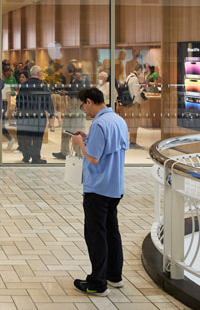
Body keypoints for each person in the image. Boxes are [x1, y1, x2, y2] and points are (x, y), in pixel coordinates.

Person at [70, 86, 129, 297]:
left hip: (98, 189)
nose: (84, 111)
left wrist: (79, 144)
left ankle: (97, 283)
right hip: (115, 187)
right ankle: (114, 276)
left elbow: (93, 157)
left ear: (89, 101)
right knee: (112, 232)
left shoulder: (99, 124)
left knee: (96, 235)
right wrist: (88, 139)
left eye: (83, 106)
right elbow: (107, 149)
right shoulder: (118, 120)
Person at [15, 65, 54, 164]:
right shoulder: (43, 86)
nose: (42, 73)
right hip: (39, 115)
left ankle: (26, 156)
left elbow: (18, 100)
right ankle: (36, 157)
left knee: (26, 135)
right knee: (37, 136)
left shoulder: (24, 85)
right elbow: (48, 101)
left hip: (25, 115)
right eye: (41, 71)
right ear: (37, 73)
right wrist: (51, 113)